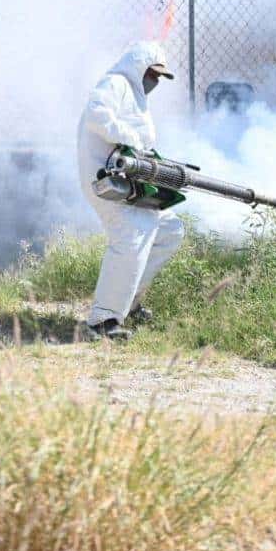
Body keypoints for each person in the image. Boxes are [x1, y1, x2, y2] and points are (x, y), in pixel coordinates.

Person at [76, 41, 185, 341]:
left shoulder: (136, 97)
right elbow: (98, 115)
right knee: (133, 235)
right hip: (106, 181)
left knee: (169, 229)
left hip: (127, 183)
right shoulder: (116, 84)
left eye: (159, 78)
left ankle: (130, 302)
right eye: (153, 74)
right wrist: (131, 139)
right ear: (139, 67)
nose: (155, 82)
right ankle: (103, 320)